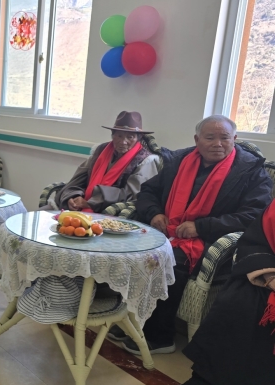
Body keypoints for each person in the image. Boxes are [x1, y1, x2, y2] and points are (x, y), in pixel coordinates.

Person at [111, 115, 273, 355]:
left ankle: (160, 336)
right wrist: (155, 213)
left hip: (211, 241)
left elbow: (254, 216)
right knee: (133, 250)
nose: (218, 144)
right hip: (168, 230)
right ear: (197, 140)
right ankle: (132, 321)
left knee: (169, 260)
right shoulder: (179, 161)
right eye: (210, 138)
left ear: (235, 139)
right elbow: (148, 191)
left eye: (225, 138)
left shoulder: (250, 171)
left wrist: (202, 227)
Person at [159, 203, 275, 385]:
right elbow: (257, 240)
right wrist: (269, 275)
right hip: (269, 277)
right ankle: (205, 383)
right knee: (239, 298)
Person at [41, 111, 160, 212]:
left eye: (130, 137)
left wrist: (91, 202)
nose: (123, 142)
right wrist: (73, 197)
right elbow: (78, 179)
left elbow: (131, 194)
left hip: (110, 212)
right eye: (119, 136)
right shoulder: (101, 150)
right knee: (41, 215)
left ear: (138, 138)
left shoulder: (145, 161)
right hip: (80, 203)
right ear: (112, 135)